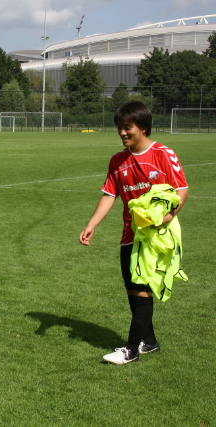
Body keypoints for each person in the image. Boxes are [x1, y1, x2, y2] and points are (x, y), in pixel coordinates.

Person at [79, 101, 188, 365]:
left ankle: (131, 350)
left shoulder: (163, 154)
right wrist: (92, 223)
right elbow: (109, 194)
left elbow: (181, 189)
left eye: (128, 128)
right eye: (120, 128)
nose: (122, 133)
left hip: (154, 236)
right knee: (132, 290)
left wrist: (167, 217)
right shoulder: (118, 160)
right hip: (129, 235)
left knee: (141, 291)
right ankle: (149, 342)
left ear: (143, 127)